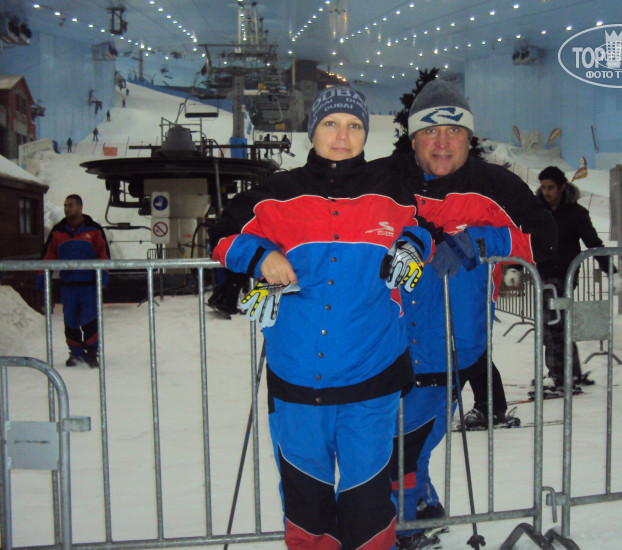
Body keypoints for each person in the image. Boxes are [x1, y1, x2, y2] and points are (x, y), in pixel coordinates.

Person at [210, 86, 433, 550]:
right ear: (312, 130)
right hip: (296, 380)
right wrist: (259, 255)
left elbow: (424, 227)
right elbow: (222, 234)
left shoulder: (391, 189)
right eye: (331, 124)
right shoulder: (276, 192)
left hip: (371, 378)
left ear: (365, 134)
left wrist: (414, 246)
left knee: (369, 504)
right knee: (306, 505)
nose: (342, 136)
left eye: (354, 126)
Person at [372, 79, 558, 548]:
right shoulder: (383, 179)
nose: (442, 142)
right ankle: (420, 509)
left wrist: (481, 241)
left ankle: (405, 524)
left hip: (452, 345)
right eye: (430, 131)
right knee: (393, 442)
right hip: (384, 343)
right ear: (413, 136)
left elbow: (545, 239)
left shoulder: (495, 185)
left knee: (403, 444)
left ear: (469, 137)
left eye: (453, 131)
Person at [531, 166, 621, 393]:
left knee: (553, 326)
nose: (546, 192)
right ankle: (569, 373)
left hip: (564, 275)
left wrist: (612, 272)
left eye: (551, 187)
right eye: (543, 187)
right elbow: (524, 239)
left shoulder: (576, 213)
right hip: (543, 275)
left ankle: (561, 377)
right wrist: (514, 267)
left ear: (562, 187)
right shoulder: (537, 211)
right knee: (554, 326)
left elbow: (593, 243)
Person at [38, 194, 110, 367]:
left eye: (70, 205)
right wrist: (42, 278)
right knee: (70, 320)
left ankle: (92, 352)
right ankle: (75, 353)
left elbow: (103, 255)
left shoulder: (94, 229)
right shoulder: (58, 231)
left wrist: (104, 276)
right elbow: (48, 256)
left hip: (89, 285)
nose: (66, 209)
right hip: (68, 286)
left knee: (90, 318)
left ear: (80, 207)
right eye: (65, 205)